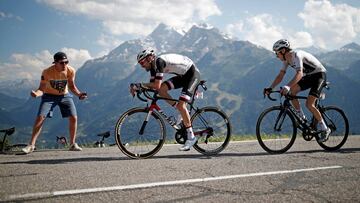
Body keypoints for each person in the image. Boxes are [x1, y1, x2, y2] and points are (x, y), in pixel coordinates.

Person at [130, 49, 200, 151]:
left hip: (192, 76)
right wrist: (140, 88)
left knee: (181, 105)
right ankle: (181, 110)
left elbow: (156, 85)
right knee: (162, 90)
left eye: (142, 62)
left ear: (149, 58)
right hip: (182, 76)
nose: (141, 65)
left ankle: (191, 137)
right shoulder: (153, 68)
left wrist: (139, 85)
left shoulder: (159, 62)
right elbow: (155, 87)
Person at [264, 39, 331, 142]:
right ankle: (301, 117)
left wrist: (288, 86)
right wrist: (271, 87)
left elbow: (299, 74)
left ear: (283, 51)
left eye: (277, 53)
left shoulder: (296, 55)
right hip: (309, 77)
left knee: (309, 104)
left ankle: (325, 128)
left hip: (319, 76)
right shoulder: (286, 60)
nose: (276, 56)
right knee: (291, 93)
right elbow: (281, 75)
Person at [22, 52, 87, 154]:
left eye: (66, 62)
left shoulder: (70, 70)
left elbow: (71, 86)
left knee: (74, 117)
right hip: (49, 96)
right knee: (40, 117)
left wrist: (79, 94)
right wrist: (36, 94)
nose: (64, 65)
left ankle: (72, 144)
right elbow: (41, 89)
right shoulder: (47, 72)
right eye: (62, 63)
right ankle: (31, 145)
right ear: (55, 63)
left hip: (64, 95)